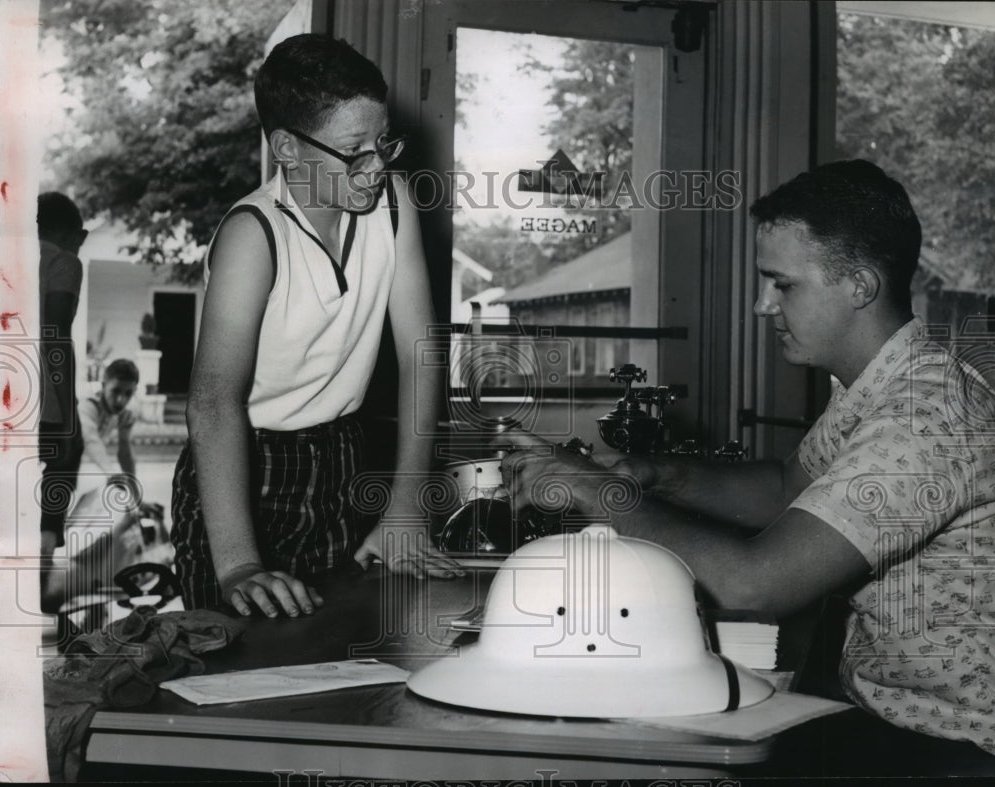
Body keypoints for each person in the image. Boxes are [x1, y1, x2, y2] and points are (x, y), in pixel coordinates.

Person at [502, 160, 995, 770]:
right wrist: (654, 475)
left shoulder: (922, 419)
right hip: (884, 710)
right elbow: (787, 487)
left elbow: (756, 584)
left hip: (949, 747)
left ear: (860, 286)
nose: (763, 305)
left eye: (782, 284)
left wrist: (596, 493)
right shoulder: (884, 382)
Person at [171, 34, 460, 618]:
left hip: (342, 456)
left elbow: (419, 353)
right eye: (354, 151)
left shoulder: (393, 204)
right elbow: (213, 402)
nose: (377, 166)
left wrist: (405, 505)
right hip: (243, 466)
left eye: (383, 143)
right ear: (288, 148)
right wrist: (238, 564)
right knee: (242, 652)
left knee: (336, 642)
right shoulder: (254, 236)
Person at [37, 192, 87, 559]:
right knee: (64, 457)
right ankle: (45, 547)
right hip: (39, 401)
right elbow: (56, 335)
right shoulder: (62, 261)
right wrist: (70, 416)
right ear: (72, 234)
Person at [76, 358, 139, 497]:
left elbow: (125, 451)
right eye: (115, 391)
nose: (120, 400)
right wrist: (111, 472)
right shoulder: (88, 404)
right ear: (104, 385)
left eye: (128, 393)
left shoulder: (127, 413)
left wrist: (136, 499)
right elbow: (91, 439)